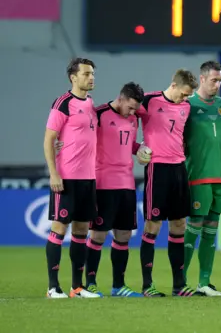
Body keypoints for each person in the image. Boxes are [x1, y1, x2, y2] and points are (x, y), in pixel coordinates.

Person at [137, 69, 200, 297]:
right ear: (173, 85)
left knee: (179, 225)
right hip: (158, 168)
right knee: (153, 225)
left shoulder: (186, 107)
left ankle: (179, 285)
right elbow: (123, 117)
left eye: (188, 96)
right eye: (183, 94)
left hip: (179, 169)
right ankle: (147, 286)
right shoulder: (149, 101)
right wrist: (137, 148)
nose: (185, 99)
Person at [83, 82, 149, 298]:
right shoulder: (99, 114)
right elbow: (82, 139)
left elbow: (129, 145)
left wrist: (141, 149)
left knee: (124, 235)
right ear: (120, 98)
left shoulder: (134, 118)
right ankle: (90, 284)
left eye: (135, 109)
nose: (132, 112)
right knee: (99, 235)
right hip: (103, 184)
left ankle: (118, 286)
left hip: (127, 185)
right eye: (130, 107)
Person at [44, 58, 101, 298]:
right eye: (86, 73)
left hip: (88, 178)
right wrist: (54, 173)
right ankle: (52, 287)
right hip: (66, 177)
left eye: (92, 74)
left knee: (80, 231)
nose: (91, 78)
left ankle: (77, 287)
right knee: (59, 228)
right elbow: (49, 139)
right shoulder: (63, 103)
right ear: (73, 77)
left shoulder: (90, 103)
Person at [182, 61, 221, 297]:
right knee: (194, 227)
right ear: (201, 79)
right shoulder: (187, 105)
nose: (217, 84)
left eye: (220, 80)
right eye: (213, 80)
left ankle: (204, 282)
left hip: (220, 176)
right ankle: (180, 281)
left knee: (212, 228)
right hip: (197, 175)